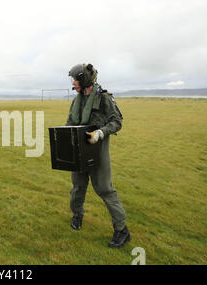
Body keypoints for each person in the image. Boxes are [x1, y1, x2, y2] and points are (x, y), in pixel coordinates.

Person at [65, 63, 130, 248]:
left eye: (75, 79)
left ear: (84, 79)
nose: (73, 82)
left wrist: (101, 133)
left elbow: (117, 121)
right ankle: (77, 215)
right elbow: (70, 121)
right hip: (79, 150)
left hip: (98, 150)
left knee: (105, 189)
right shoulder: (77, 100)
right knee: (77, 187)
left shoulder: (103, 98)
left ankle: (122, 230)